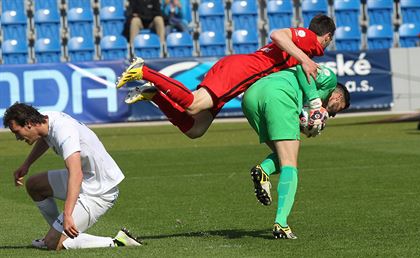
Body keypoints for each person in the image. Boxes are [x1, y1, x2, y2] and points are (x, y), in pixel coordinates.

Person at [117, 14, 336, 139]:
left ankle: (153, 94)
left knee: (196, 129)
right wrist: (306, 60)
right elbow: (277, 34)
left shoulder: (302, 55)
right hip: (241, 70)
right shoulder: (308, 39)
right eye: (329, 40)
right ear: (327, 36)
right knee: (193, 105)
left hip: (238, 69)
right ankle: (143, 70)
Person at [3, 103, 142, 250]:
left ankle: (118, 241)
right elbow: (45, 138)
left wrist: (68, 214)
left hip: (99, 191)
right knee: (34, 185)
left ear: (29, 123)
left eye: (17, 132)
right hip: (87, 179)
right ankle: (57, 232)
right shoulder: (46, 120)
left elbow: (76, 174)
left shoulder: (64, 130)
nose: (17, 137)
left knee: (52, 244)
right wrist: (27, 164)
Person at [242, 65, 350, 239]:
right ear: (337, 96)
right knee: (290, 163)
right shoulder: (330, 80)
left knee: (283, 154)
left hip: (251, 97)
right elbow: (302, 68)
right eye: (338, 108)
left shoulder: (306, 97)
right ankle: (281, 224)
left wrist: (304, 124)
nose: (334, 114)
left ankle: (264, 170)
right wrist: (315, 103)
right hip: (279, 94)